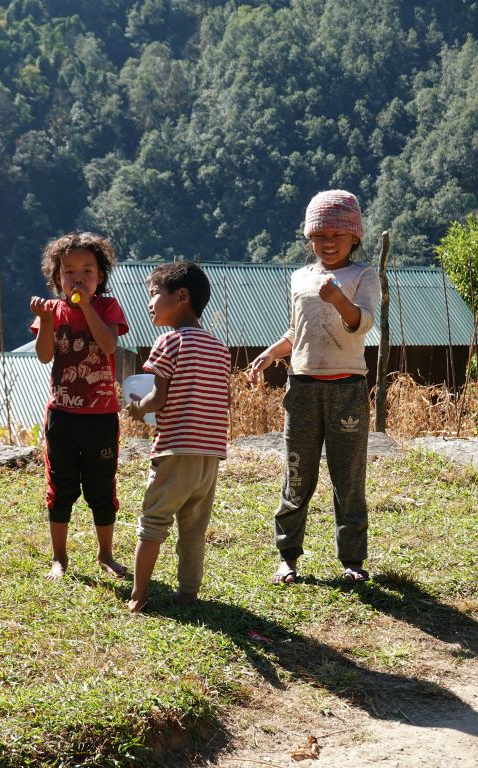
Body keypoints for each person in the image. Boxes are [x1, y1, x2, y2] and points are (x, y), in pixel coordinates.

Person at [249, 190, 380, 584]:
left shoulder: (363, 276)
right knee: (297, 472)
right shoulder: (299, 278)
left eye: (337, 236)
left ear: (355, 237)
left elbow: (364, 322)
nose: (327, 243)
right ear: (308, 238)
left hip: (347, 389)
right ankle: (288, 556)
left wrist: (339, 299)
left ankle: (352, 560)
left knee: (348, 476)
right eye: (319, 235)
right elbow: (298, 331)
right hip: (302, 387)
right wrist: (271, 354)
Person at [126, 262, 231, 613]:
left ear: (181, 296)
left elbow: (159, 398)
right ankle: (188, 595)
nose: (150, 303)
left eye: (154, 294)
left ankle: (139, 594)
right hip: (210, 455)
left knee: (153, 523)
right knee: (193, 528)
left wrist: (138, 408)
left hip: (175, 450)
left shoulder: (169, 342)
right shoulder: (219, 348)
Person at [30, 231, 129, 581]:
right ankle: (59, 558)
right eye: (69, 270)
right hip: (62, 417)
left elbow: (106, 345)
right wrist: (44, 322)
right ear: (58, 277)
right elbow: (44, 356)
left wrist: (86, 305)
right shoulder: (51, 311)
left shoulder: (106, 307)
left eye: (87, 270)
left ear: (100, 276)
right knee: (60, 487)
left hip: (101, 418)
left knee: (102, 488)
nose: (78, 277)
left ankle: (106, 554)